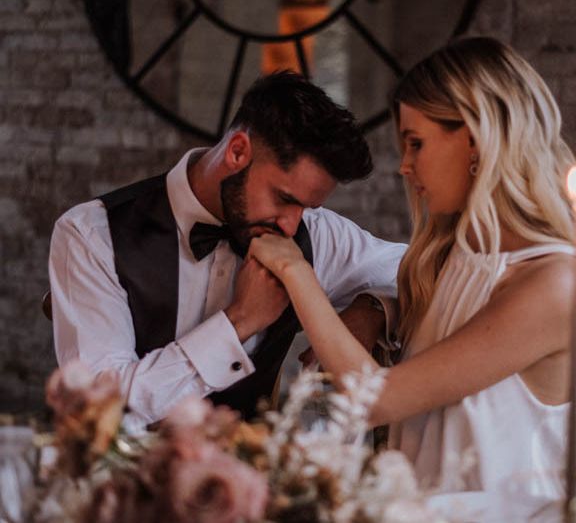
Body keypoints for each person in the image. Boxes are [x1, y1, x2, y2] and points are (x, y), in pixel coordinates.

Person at [249, 37, 576, 500]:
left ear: (477, 140)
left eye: (416, 143)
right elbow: (460, 327)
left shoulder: (558, 284)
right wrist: (377, 309)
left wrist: (297, 272)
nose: (404, 167)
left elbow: (377, 401)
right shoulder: (453, 258)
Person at [49, 71, 406, 426]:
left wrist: (371, 309)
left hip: (253, 477)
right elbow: (100, 411)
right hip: (123, 477)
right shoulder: (92, 234)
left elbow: (415, 269)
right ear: (238, 151)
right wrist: (238, 323)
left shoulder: (312, 234)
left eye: (305, 208)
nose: (291, 225)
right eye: (283, 199)